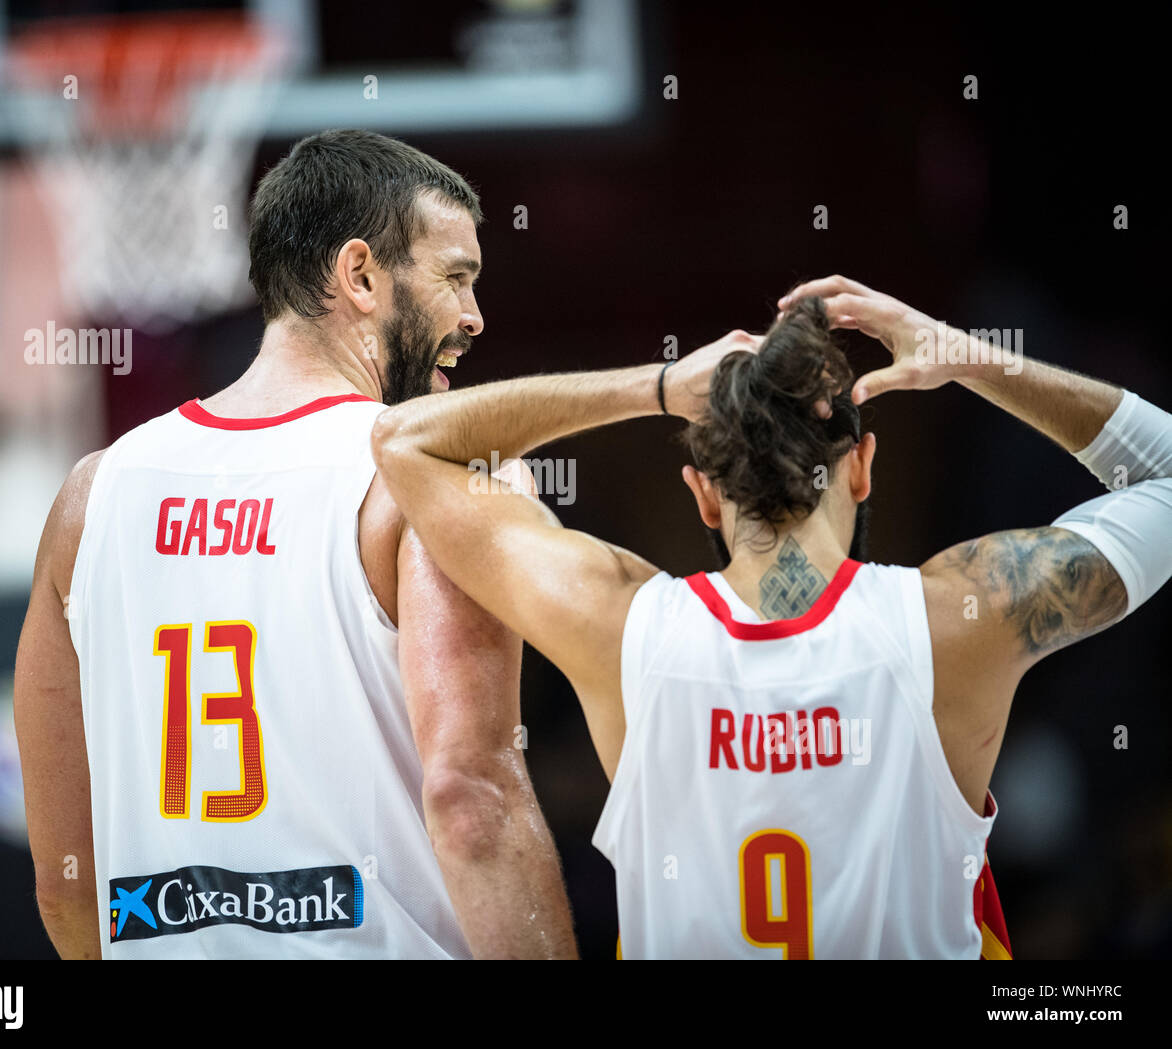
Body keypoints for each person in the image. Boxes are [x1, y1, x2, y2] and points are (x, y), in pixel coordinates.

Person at [370, 274, 1172, 958]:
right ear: (861, 467)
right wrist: (957, 353)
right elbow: (1163, 473)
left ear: (704, 493)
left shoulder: (616, 625)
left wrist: (652, 386)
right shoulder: (961, 618)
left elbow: (406, 440)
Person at [13, 129, 576, 959]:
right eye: (456, 277)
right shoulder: (428, 476)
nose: (473, 315)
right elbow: (474, 804)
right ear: (360, 276)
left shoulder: (92, 496)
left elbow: (66, 882)